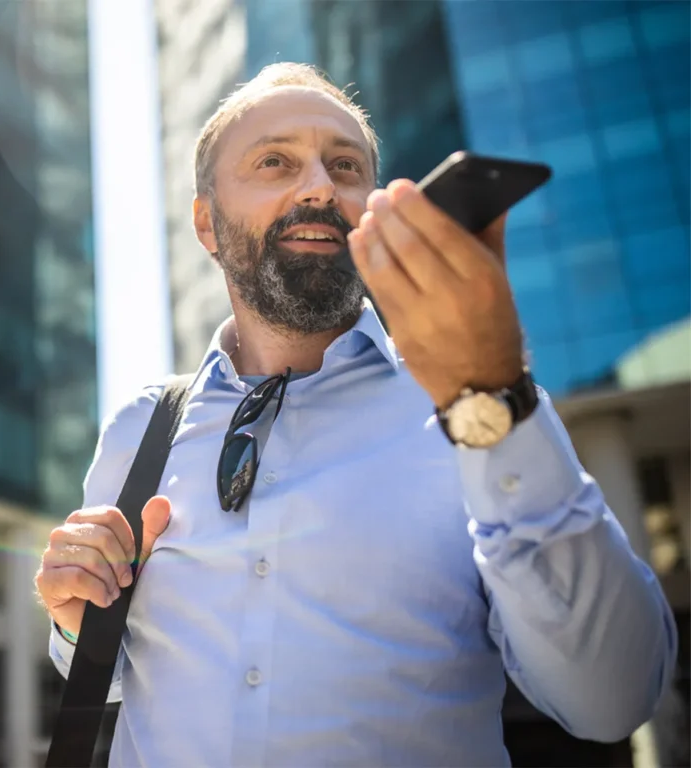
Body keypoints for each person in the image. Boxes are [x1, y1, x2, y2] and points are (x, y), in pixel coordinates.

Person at [35, 63, 677, 767]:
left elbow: (613, 700)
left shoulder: (476, 407)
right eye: (275, 161)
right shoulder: (139, 430)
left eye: (345, 166)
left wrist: (498, 400)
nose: (319, 187)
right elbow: (117, 669)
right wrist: (76, 622)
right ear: (207, 223)